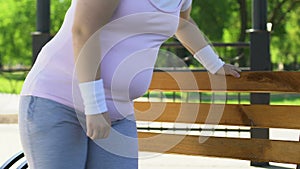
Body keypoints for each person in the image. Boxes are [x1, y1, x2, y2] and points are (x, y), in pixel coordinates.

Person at [19, 0, 241, 168]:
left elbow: (182, 23)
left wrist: (215, 65)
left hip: (118, 112)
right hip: (60, 102)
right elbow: (83, 30)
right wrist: (95, 106)